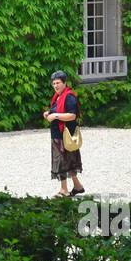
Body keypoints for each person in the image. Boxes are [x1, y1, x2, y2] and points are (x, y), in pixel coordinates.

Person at [43, 70, 86, 198]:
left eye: (58, 83)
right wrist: (48, 113)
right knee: (68, 161)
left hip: (64, 135)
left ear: (64, 83)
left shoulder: (69, 97)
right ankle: (78, 187)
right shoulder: (58, 97)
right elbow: (56, 110)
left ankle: (64, 190)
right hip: (59, 134)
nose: (55, 85)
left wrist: (55, 115)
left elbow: (72, 115)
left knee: (61, 161)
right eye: (54, 83)